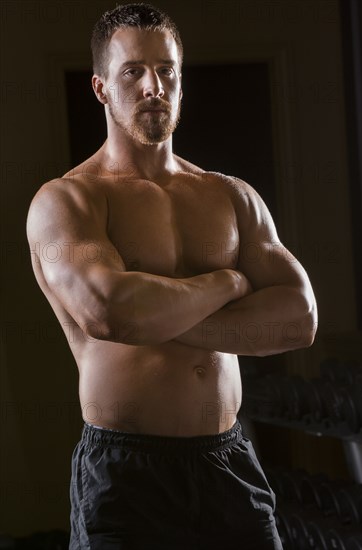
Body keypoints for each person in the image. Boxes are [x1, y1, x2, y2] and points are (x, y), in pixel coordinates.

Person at [26, 3, 317, 549]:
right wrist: (227, 285)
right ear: (101, 88)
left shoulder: (230, 195)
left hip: (227, 460)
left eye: (166, 70)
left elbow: (299, 319)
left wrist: (159, 315)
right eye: (132, 71)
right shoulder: (69, 200)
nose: (153, 86)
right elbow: (111, 311)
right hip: (126, 472)